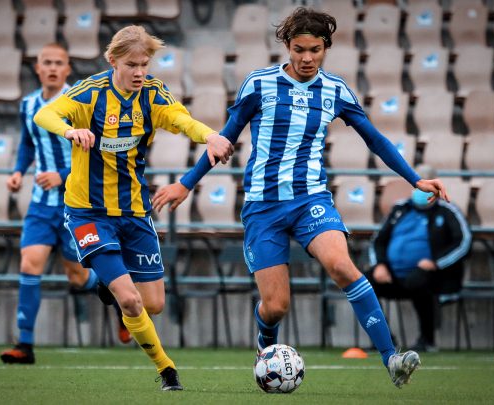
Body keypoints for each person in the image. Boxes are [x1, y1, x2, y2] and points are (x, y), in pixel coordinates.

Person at [152, 7, 449, 388]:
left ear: (326, 48)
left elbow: (375, 140)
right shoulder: (258, 85)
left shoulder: (336, 90)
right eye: (299, 49)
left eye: (315, 50)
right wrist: (186, 183)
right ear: (287, 46)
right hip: (263, 207)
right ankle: (266, 346)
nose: (307, 58)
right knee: (276, 306)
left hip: (311, 200)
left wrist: (414, 179)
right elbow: (224, 139)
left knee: (342, 266)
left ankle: (391, 358)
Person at [33, 26, 233, 390]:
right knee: (130, 301)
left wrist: (211, 136)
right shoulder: (90, 93)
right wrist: (69, 131)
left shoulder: (152, 94)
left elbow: (180, 119)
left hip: (135, 212)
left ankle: (110, 290)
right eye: (132, 65)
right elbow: (44, 115)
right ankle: (167, 370)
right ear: (113, 61)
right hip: (88, 212)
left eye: (144, 64)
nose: (140, 71)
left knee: (152, 303)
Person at [0, 43, 131, 365]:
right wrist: (18, 171)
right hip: (41, 206)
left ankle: (113, 294)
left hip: (78, 202)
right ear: (38, 68)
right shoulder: (28, 104)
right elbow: (28, 143)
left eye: (59, 62)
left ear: (68, 69)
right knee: (30, 264)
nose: (53, 68)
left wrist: (61, 174)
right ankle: (25, 345)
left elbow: (98, 149)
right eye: (47, 62)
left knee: (76, 275)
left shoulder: (81, 100)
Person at [367, 165, 471, 352]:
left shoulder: (447, 210)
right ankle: (384, 341)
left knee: (419, 280)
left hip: (432, 276)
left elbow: (464, 242)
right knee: (363, 283)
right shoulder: (400, 208)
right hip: (392, 276)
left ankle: (427, 340)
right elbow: (378, 241)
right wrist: (379, 265)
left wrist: (436, 263)